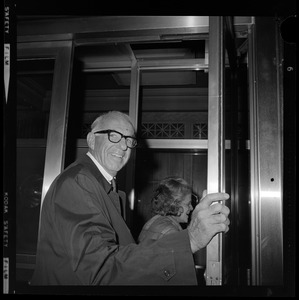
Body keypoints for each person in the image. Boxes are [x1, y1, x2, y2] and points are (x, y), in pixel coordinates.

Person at [30, 110, 230, 285]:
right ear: (91, 140)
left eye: (128, 140)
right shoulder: (78, 182)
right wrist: (191, 239)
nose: (124, 146)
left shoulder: (102, 185)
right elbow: (99, 270)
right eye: (114, 136)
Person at [138, 176, 194, 244]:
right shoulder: (171, 233)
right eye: (188, 204)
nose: (191, 208)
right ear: (174, 204)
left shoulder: (153, 221)